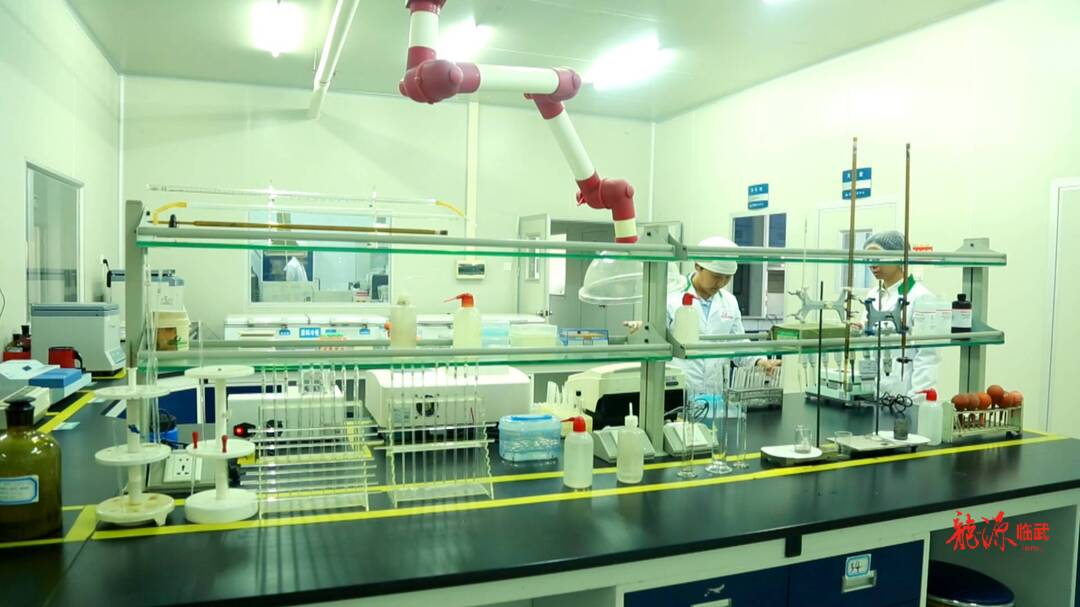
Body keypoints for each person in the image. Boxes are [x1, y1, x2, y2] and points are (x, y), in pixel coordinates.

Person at [667, 236, 780, 395]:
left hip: (715, 392)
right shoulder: (671, 297)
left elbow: (738, 342)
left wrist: (759, 361)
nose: (721, 283)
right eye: (716, 276)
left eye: (727, 277)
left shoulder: (729, 301)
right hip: (678, 388)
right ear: (698, 266)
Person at [859, 230, 940, 396]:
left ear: (898, 257)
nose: (872, 264)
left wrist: (916, 399)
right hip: (874, 391)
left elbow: (928, 356)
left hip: (905, 393)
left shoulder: (922, 297)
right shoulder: (873, 294)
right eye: (868, 258)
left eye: (879, 257)